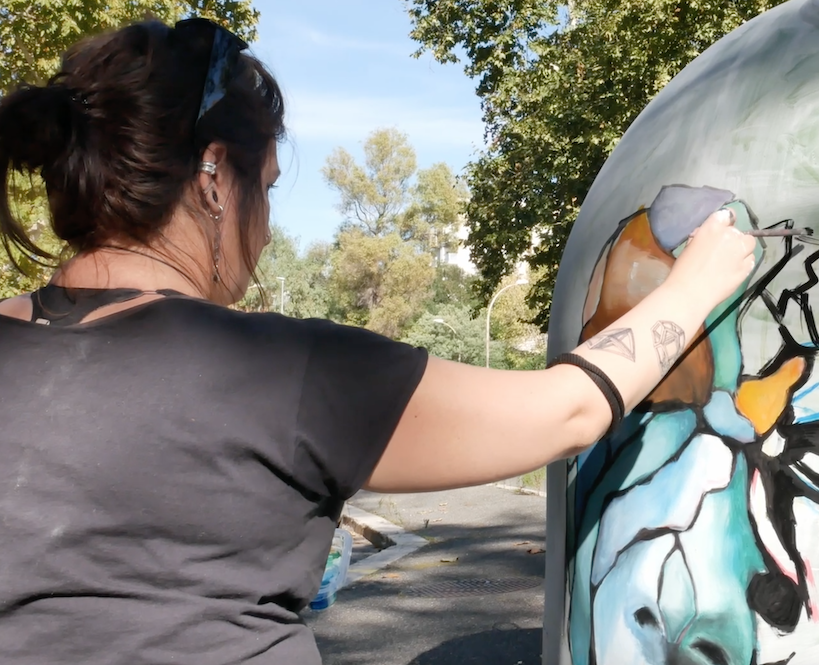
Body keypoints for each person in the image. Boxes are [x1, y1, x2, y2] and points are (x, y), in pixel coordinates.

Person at [0, 16, 757, 665]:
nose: (267, 231)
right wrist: (693, 287)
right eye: (267, 186)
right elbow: (565, 411)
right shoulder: (278, 372)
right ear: (213, 173)